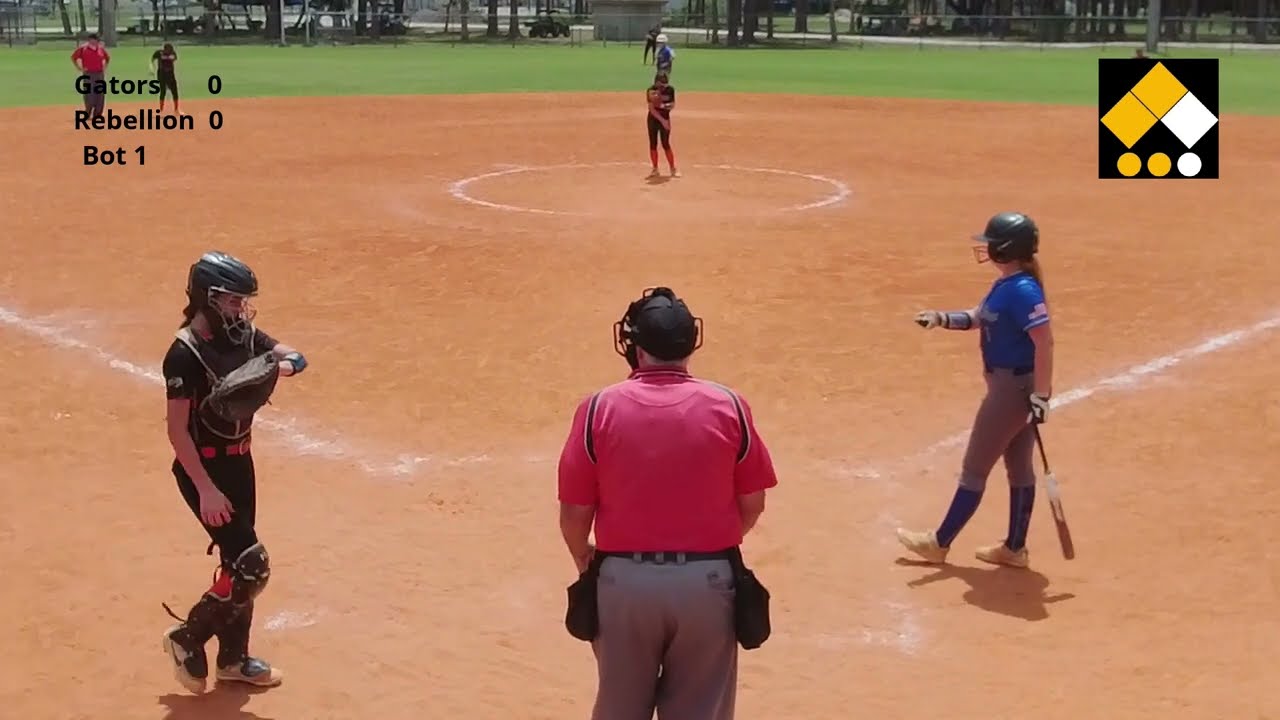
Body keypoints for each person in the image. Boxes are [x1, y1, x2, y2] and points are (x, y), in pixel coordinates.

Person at [558, 286, 779, 720]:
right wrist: (709, 545)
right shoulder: (729, 404)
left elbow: (573, 514)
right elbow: (752, 502)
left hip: (623, 583)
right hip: (708, 584)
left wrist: (586, 559)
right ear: (689, 344)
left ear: (635, 348)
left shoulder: (598, 408)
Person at [160, 251, 309, 694]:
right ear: (208, 299)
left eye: (243, 303)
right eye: (231, 302)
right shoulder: (183, 354)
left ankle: (233, 659)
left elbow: (294, 356)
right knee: (251, 567)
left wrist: (279, 365)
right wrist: (205, 489)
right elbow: (176, 432)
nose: (240, 311)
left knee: (236, 563)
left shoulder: (243, 336)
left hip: (239, 462)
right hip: (201, 469)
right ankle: (188, 638)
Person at [896, 212, 1054, 569]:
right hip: (1016, 387)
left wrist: (1042, 395)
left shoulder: (1023, 290)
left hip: (1012, 391)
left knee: (974, 469)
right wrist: (941, 318)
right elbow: (979, 317)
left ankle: (939, 542)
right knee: (1019, 468)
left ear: (1005, 248)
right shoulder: (1009, 284)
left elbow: (1044, 343)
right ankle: (1014, 549)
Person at [646, 72, 678, 178]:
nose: (663, 87)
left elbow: (672, 104)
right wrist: (663, 121)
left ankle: (673, 169)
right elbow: (652, 109)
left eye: (665, 84)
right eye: (661, 84)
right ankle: (655, 169)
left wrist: (663, 106)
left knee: (665, 144)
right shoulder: (651, 90)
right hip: (653, 120)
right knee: (653, 144)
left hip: (665, 118)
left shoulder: (670, 90)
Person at [71, 32, 110, 119]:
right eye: (94, 40)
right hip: (88, 74)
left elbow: (107, 58)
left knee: (100, 94)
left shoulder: (100, 49)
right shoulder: (83, 49)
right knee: (89, 94)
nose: (95, 42)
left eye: (97, 40)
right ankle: (88, 112)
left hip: (99, 74)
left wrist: (104, 67)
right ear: (90, 40)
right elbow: (74, 57)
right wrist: (79, 67)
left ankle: (98, 114)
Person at [151, 42, 180, 115]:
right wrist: (151, 67)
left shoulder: (172, 53)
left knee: (174, 91)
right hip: (162, 74)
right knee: (163, 91)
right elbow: (152, 59)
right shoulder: (159, 53)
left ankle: (176, 110)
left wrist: (166, 57)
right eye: (169, 49)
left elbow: (174, 58)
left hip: (170, 74)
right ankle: (161, 110)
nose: (170, 51)